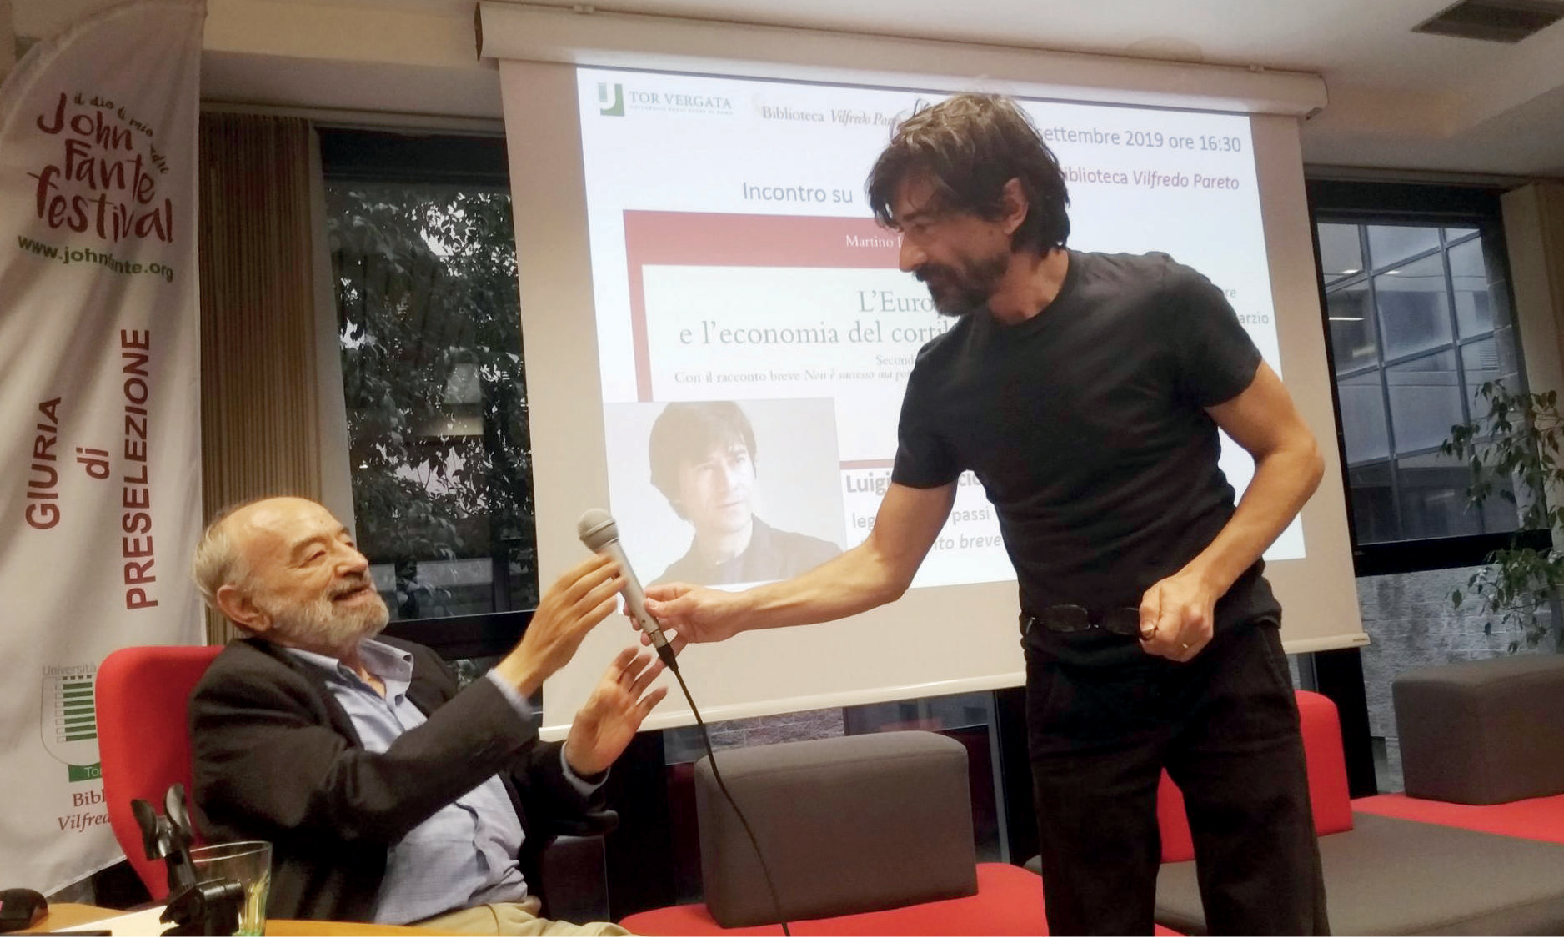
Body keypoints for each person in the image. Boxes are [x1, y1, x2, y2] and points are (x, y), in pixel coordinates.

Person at [641, 95, 1329, 935]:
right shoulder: (944, 378)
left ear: (1010, 205)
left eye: (924, 225)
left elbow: (1293, 452)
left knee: (1272, 911)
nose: (906, 256)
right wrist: (731, 610)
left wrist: (1204, 578)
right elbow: (883, 562)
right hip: (1075, 680)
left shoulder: (1163, 301)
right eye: (901, 229)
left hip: (1223, 654)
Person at [188, 496, 667, 935]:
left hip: (518, 916)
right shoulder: (238, 693)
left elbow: (503, 789)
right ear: (245, 606)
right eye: (314, 556)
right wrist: (526, 666)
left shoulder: (415, 665)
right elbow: (363, 800)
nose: (355, 562)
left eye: (348, 543)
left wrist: (578, 760)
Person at [648, 400, 840, 586]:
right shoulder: (664, 593)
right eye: (707, 467)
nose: (729, 483)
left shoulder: (819, 562)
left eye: (737, 460)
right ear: (673, 488)